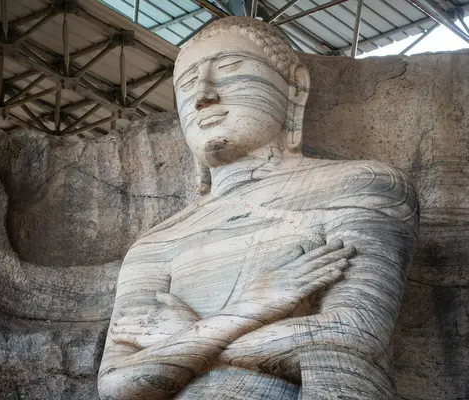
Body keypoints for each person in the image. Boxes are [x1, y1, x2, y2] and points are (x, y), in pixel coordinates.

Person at [98, 17, 419, 400]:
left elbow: (355, 335)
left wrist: (183, 338)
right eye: (186, 85)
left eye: (231, 68)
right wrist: (252, 308)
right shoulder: (155, 244)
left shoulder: (362, 186)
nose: (204, 95)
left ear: (295, 87)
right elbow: (116, 382)